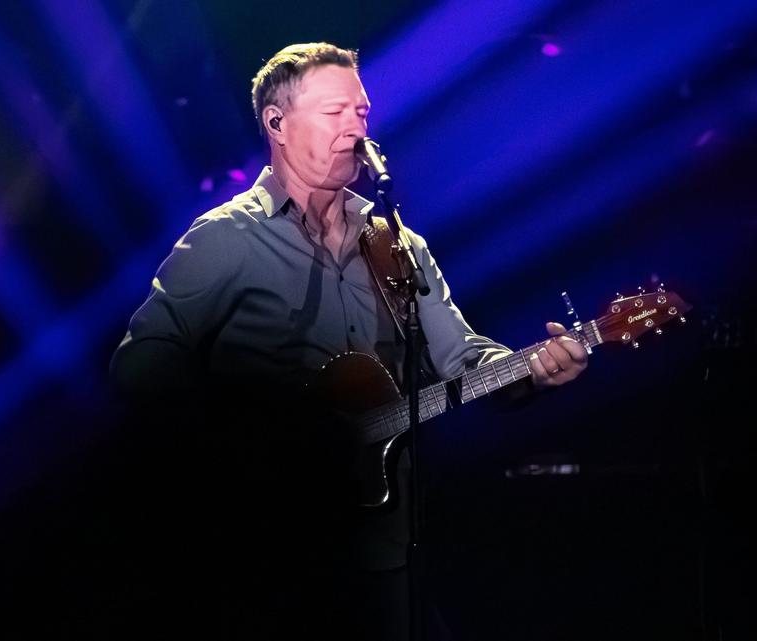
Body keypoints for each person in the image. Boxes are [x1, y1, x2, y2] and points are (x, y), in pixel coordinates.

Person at [109, 42, 588, 641]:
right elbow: (140, 365)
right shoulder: (224, 239)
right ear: (277, 124)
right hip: (259, 547)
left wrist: (532, 370)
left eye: (361, 113)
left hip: (382, 542)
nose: (356, 127)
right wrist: (250, 426)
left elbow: (462, 357)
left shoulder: (400, 247)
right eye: (335, 113)